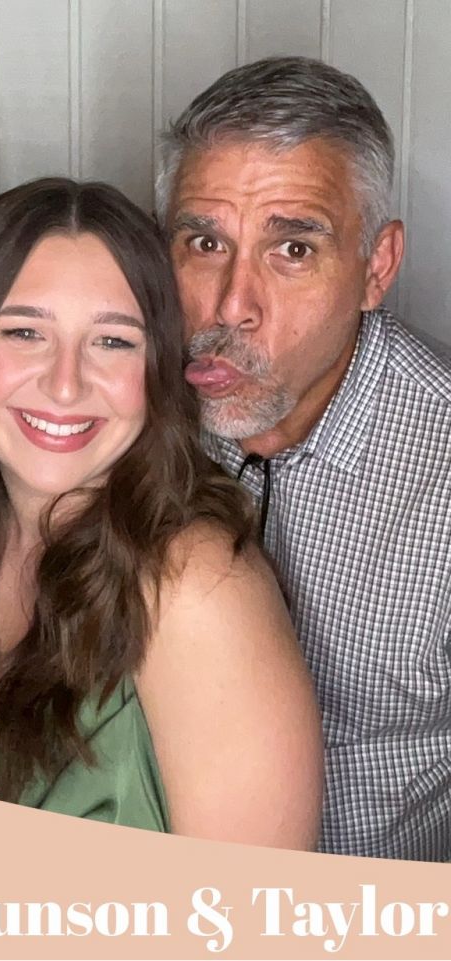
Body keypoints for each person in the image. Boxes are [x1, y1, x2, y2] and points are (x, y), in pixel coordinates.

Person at [0, 177, 323, 844]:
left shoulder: (197, 588)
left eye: (113, 341)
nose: (66, 382)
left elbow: (258, 922)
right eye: (24, 331)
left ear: (157, 371)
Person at [157, 56, 451, 860]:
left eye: (293, 249)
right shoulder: (119, 417)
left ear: (377, 268)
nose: (231, 304)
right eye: (205, 240)